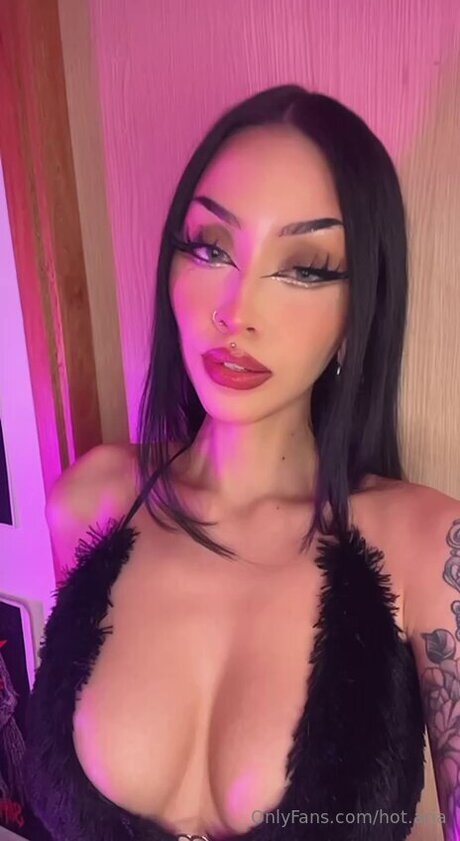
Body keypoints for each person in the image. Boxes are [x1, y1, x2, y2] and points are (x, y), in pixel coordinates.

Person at [23, 84, 460, 841]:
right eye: (211, 248)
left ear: (359, 312)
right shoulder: (91, 503)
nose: (236, 309)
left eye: (306, 267)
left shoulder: (429, 548)